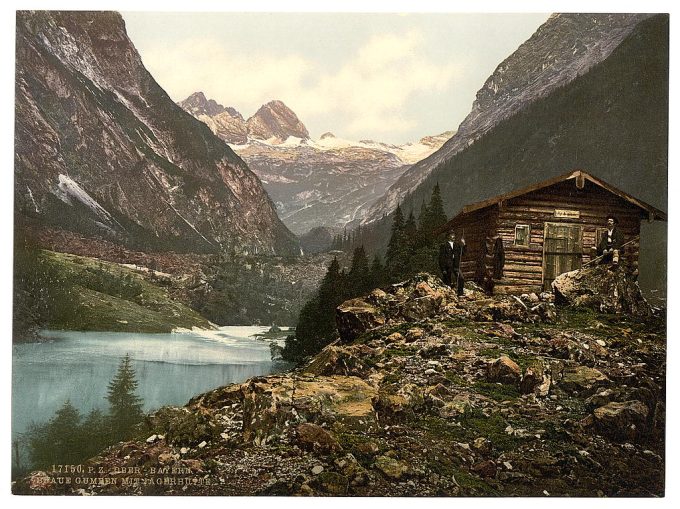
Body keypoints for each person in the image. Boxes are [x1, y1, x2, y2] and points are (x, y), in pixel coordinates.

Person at [439, 231, 466, 296]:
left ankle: (460, 294)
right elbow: (441, 258)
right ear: (448, 236)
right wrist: (443, 269)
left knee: (461, 278)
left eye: (454, 234)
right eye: (451, 235)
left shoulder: (456, 245)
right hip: (447, 266)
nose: (453, 236)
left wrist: (464, 245)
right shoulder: (444, 245)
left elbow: (463, 253)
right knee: (448, 282)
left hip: (456, 266)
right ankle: (449, 296)